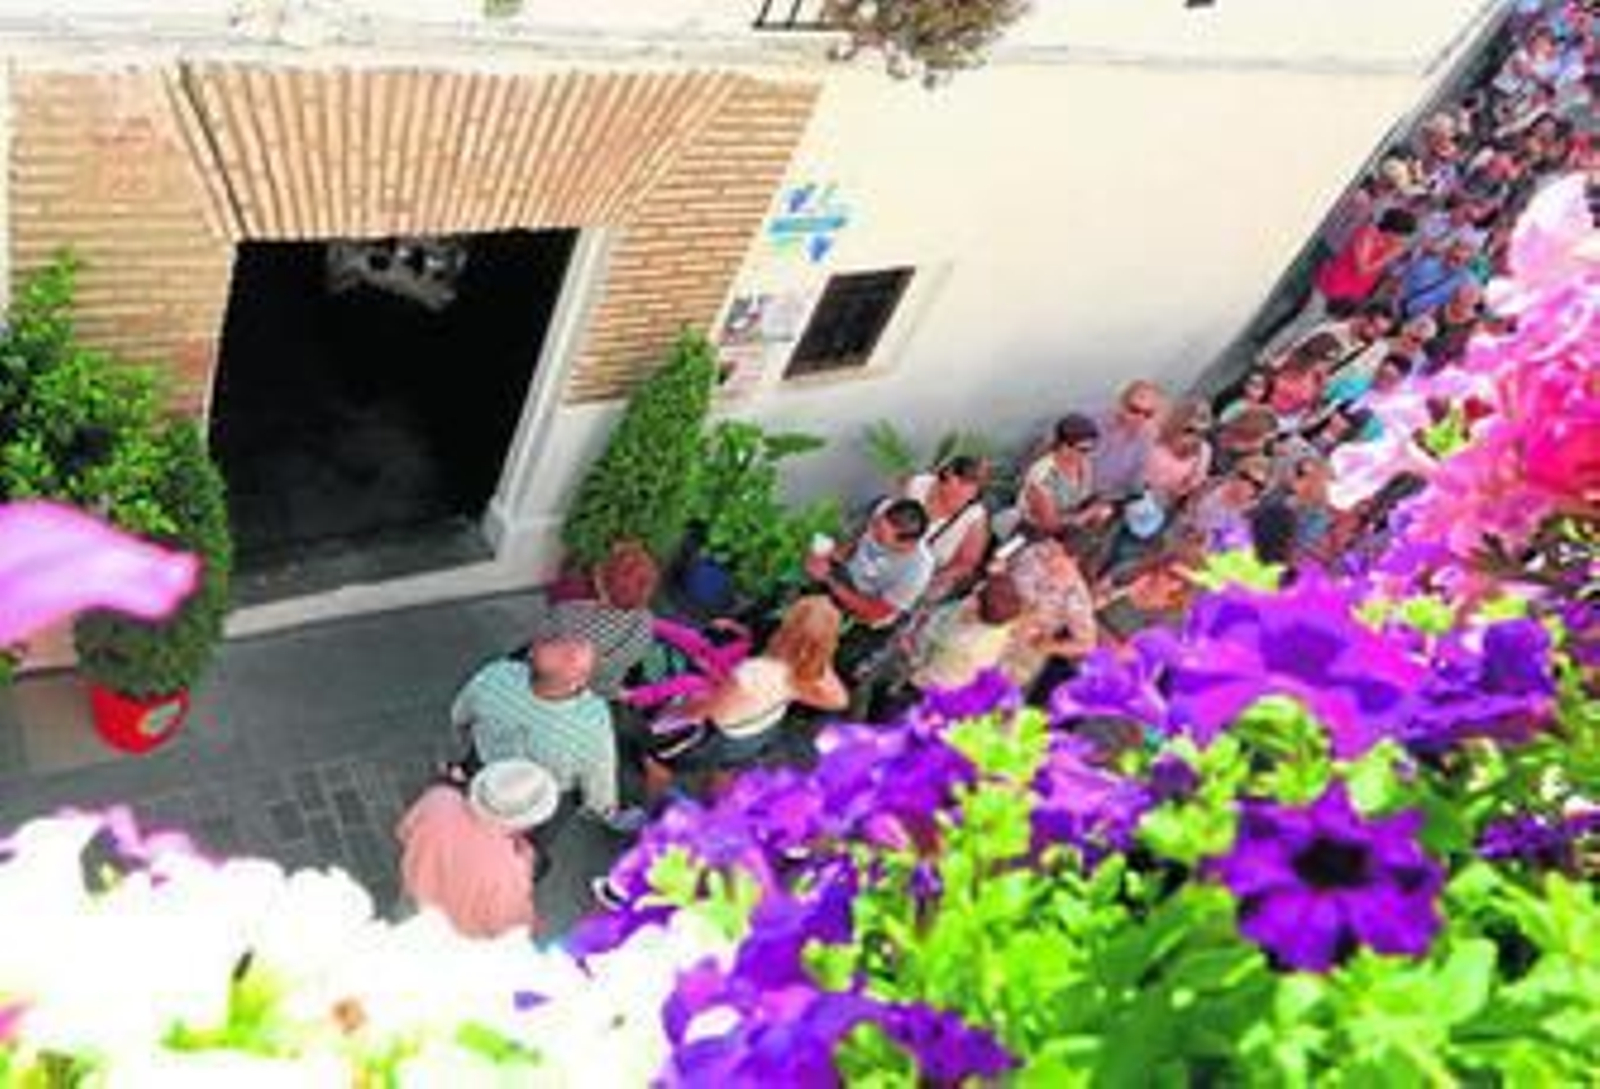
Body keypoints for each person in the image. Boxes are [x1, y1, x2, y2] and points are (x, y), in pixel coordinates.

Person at [647, 595, 848, 783]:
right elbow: (841, 700)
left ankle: (645, 806)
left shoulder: (753, 672)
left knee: (659, 764)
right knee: (723, 772)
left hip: (720, 737)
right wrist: (818, 652)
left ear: (788, 626)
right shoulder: (804, 678)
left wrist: (670, 715)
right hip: (758, 733)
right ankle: (718, 809)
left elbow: (711, 711)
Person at [449, 637, 643, 832]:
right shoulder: (593, 720)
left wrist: (462, 739)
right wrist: (602, 808)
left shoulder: (496, 674)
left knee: (480, 789)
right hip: (538, 791)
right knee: (528, 833)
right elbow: (599, 773)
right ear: (578, 682)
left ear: (530, 655)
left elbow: (460, 714)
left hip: (487, 760)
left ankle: (463, 786)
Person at [396, 759, 558, 939]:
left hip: (414, 893)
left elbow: (405, 832)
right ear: (528, 823)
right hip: (452, 933)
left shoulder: (440, 798)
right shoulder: (512, 873)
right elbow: (512, 928)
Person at [528, 540, 659, 700]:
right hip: (601, 690)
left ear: (600, 586)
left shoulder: (568, 613)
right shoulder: (647, 624)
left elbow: (540, 644)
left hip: (560, 683)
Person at [806, 498, 934, 631]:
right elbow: (858, 539)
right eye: (876, 525)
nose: (873, 533)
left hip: (864, 612)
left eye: (880, 537)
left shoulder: (918, 570)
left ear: (907, 544)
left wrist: (828, 579)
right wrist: (833, 554)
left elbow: (875, 611)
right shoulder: (883, 509)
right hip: (846, 577)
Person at [1000, 536, 1098, 698]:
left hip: (1016, 650)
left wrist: (1048, 646)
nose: (1049, 553)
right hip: (993, 618)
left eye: (1057, 553)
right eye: (1052, 548)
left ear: (1074, 561)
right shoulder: (1037, 550)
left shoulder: (1076, 597)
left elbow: (1087, 643)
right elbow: (1005, 559)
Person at [902, 573, 1025, 695]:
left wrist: (910, 654)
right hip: (928, 645)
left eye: (976, 595)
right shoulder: (988, 613)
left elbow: (929, 675)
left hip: (932, 682)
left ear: (982, 610)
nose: (972, 594)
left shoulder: (965, 647)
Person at [899, 456, 991, 602]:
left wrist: (927, 580)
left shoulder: (975, 517)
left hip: (928, 576)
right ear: (945, 476)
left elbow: (965, 564)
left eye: (969, 497)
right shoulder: (918, 484)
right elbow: (890, 515)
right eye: (957, 489)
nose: (960, 501)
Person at [1013, 415, 1116, 541]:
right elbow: (1049, 525)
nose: (1089, 454)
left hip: (1070, 514)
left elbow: (1084, 495)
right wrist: (1089, 514)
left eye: (1092, 448)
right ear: (1064, 447)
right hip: (1036, 528)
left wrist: (1098, 503)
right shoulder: (1043, 476)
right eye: (1084, 449)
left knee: (1106, 512)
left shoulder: (1083, 462)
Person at [1312, 207, 1417, 313]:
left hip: (1353, 294)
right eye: (1403, 235)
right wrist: (1389, 256)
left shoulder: (1391, 245)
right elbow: (1362, 269)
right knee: (1312, 317)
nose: (1403, 240)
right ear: (1393, 230)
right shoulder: (1368, 234)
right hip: (1334, 285)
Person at [1092, 380, 1166, 500]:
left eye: (1148, 414)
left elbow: (1133, 485)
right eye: (1134, 410)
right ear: (1121, 404)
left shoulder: (1147, 442)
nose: (1139, 418)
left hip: (1106, 499)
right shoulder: (1095, 424)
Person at [1186, 457, 1272, 552]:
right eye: (1245, 477)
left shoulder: (1253, 516)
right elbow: (1186, 514)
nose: (1247, 485)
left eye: (1256, 484)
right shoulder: (1210, 486)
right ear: (1235, 474)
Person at [1141, 401, 1214, 505]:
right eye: (1189, 430)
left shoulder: (1204, 450)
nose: (1195, 438)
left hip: (1160, 503)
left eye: (1202, 433)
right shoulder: (1156, 435)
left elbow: (1196, 480)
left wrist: (1176, 493)